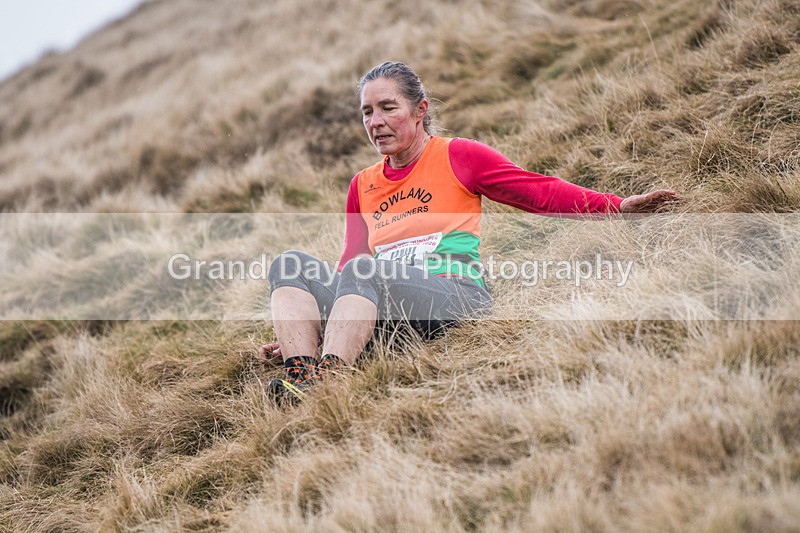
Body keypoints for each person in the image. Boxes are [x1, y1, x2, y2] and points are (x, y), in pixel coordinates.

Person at [262, 61, 677, 403]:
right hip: (388, 306)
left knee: (366, 270)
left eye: (389, 108)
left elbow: (537, 191)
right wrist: (315, 325)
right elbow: (351, 260)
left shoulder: (459, 156)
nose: (376, 122)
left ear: (420, 110)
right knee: (291, 263)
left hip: (456, 295)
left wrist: (616, 206)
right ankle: (302, 372)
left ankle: (329, 381)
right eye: (367, 112)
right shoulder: (363, 183)